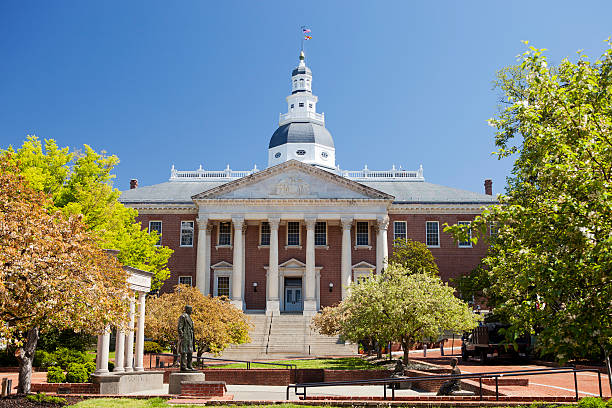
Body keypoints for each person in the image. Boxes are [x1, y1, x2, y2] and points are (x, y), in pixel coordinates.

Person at [177, 305, 196, 372]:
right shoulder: (183, 316)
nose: (191, 311)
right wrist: (182, 336)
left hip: (190, 336)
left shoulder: (189, 317)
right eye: (190, 310)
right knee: (184, 352)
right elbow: (179, 328)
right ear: (187, 310)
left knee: (190, 351)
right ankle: (183, 367)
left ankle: (189, 366)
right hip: (185, 336)